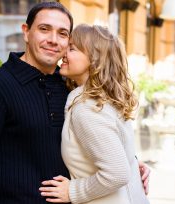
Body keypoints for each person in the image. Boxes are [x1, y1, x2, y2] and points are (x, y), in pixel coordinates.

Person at [0, 2, 149, 204]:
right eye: (44, 29)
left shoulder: (71, 88)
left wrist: (131, 162)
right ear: (26, 32)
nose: (53, 40)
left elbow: (99, 139)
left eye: (62, 34)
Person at [39, 24, 150, 204]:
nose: (63, 53)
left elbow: (117, 173)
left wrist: (73, 191)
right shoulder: (104, 100)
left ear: (94, 59)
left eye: (72, 48)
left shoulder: (87, 108)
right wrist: (133, 163)